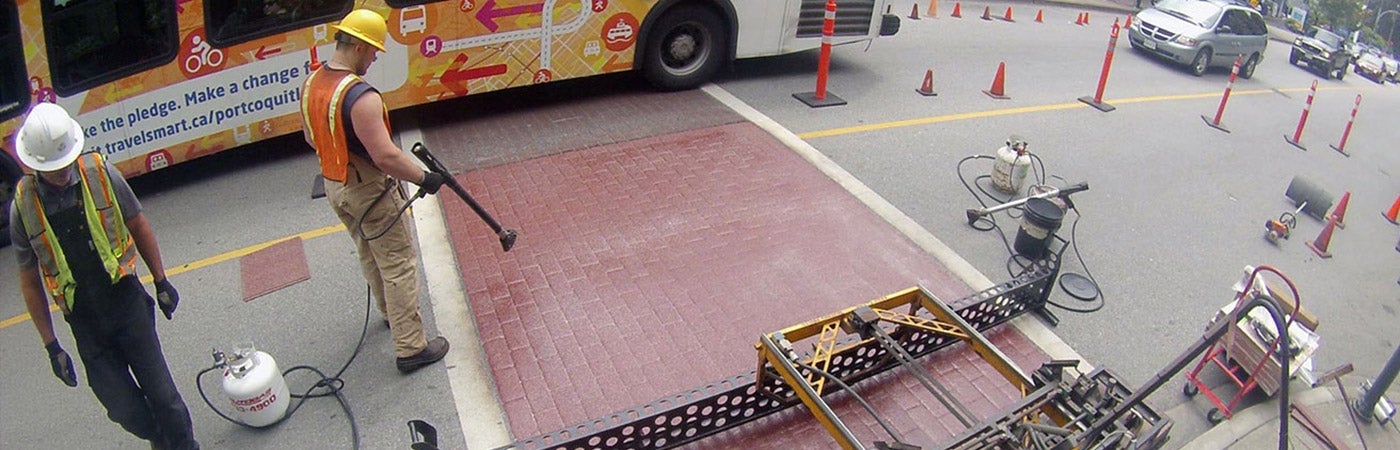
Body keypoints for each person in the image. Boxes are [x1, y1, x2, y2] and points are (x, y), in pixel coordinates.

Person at [10, 102, 199, 449]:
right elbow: (29, 279)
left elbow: (137, 222)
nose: (63, 171)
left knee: (164, 397)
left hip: (127, 305)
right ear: (34, 164)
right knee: (124, 410)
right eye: (54, 168)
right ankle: (160, 440)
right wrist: (51, 345)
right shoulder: (23, 206)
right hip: (86, 324)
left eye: (66, 161)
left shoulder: (100, 173)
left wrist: (161, 280)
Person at [299, 9, 450, 373]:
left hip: (336, 186)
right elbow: (384, 155)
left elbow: (310, 138)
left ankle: (389, 313)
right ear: (360, 46)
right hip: (368, 192)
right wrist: (423, 178)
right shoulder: (361, 97)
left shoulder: (312, 83)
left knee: (368, 251)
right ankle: (411, 348)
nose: (375, 57)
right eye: (374, 50)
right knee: (398, 262)